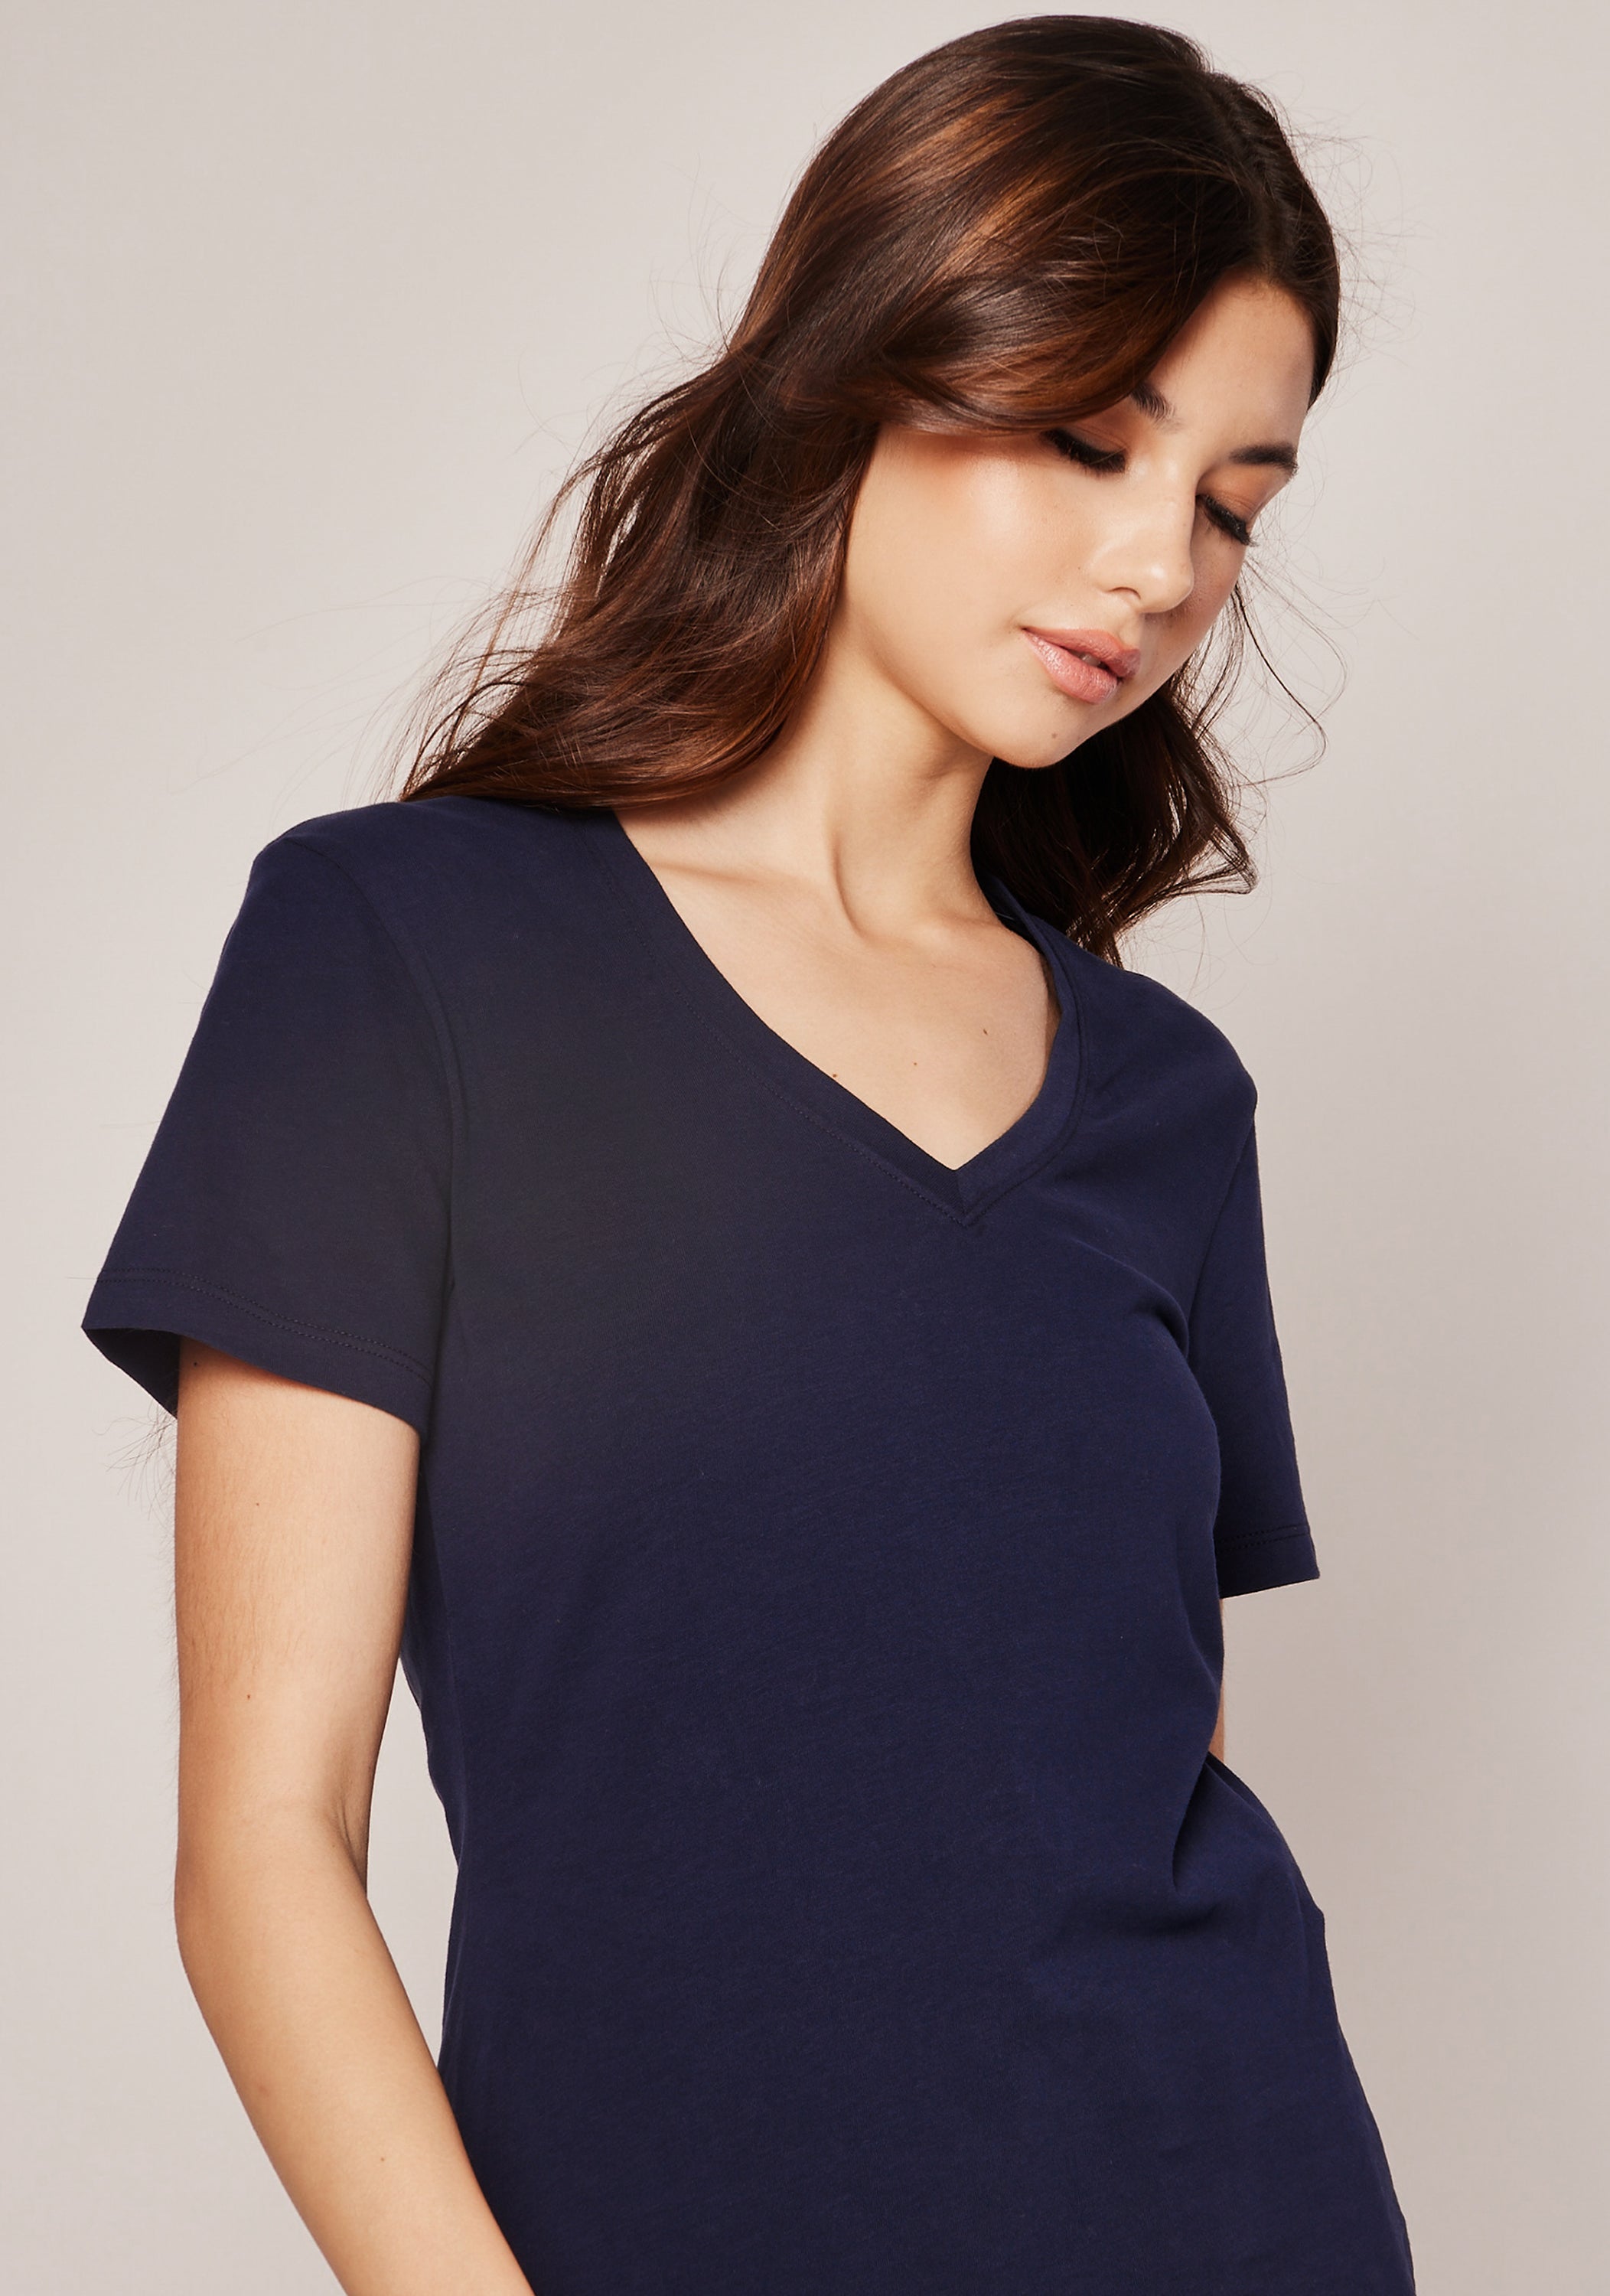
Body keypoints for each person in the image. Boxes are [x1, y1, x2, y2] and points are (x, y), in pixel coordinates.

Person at [83, 17, 1416, 2293]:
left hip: (1228, 2208)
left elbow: (1100, 1769)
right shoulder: (399, 951)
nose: (1156, 564)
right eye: (1089, 437)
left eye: (1228, 505)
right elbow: (261, 1851)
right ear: (859, 368)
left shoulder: (1166, 1101)